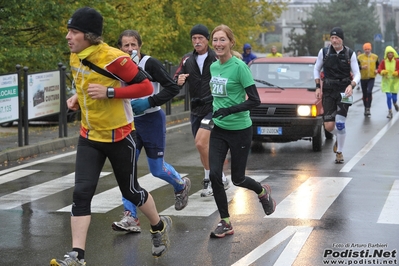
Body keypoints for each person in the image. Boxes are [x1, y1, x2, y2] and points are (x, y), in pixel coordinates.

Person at [50, 7, 172, 265]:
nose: (68, 37)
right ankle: (77, 255)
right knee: (81, 193)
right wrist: (76, 98)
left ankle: (159, 226)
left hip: (120, 137)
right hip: (90, 136)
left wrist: (110, 93)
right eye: (68, 31)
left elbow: (145, 86)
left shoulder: (113, 58)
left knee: (131, 190)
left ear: (90, 36)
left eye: (74, 32)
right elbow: (85, 87)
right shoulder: (75, 57)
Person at [196, 24, 276, 238]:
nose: (218, 44)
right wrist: (203, 100)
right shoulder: (214, 66)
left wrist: (229, 110)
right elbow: (219, 94)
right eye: (215, 40)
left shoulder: (240, 67)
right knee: (214, 174)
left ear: (231, 42)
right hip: (220, 129)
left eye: (222, 40)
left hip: (240, 129)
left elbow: (255, 101)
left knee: (238, 178)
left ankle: (262, 191)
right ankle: (225, 221)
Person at [109, 29, 191, 233]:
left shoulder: (149, 63)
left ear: (140, 46)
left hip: (152, 119)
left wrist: (149, 101)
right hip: (128, 123)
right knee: (125, 170)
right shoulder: (115, 66)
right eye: (125, 45)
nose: (129, 49)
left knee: (156, 169)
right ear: (120, 47)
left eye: (133, 45)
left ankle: (180, 185)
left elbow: (172, 88)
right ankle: (130, 217)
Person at [174, 24, 230, 197]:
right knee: (202, 147)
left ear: (207, 40)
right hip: (196, 109)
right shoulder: (187, 59)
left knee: (201, 142)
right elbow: (175, 76)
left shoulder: (216, 57)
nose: (197, 42)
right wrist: (178, 79)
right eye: (194, 38)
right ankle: (209, 177)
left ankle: (218, 177)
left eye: (201, 38)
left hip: (214, 108)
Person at [314, 27, 360, 164]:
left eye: (336, 38)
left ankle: (339, 152)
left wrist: (351, 85)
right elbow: (316, 68)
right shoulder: (324, 52)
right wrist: (317, 87)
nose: (334, 40)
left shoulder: (349, 54)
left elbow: (357, 73)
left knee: (340, 123)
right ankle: (339, 137)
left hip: (344, 90)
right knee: (328, 126)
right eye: (332, 38)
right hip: (328, 90)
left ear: (342, 39)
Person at [377, 45, 399, 118]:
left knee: (394, 98)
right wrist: (383, 71)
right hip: (386, 82)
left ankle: (395, 103)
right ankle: (390, 111)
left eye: (391, 53)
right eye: (388, 53)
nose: (390, 54)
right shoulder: (383, 61)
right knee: (389, 97)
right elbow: (379, 69)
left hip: (394, 82)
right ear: (386, 54)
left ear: (393, 53)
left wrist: (397, 72)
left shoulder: (397, 61)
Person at [357, 43, 379, 116]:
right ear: (364, 49)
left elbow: (378, 66)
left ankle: (368, 108)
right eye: (366, 49)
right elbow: (356, 67)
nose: (367, 50)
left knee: (369, 91)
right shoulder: (360, 57)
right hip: (363, 78)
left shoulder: (375, 57)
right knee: (365, 93)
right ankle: (365, 107)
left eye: (368, 49)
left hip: (371, 77)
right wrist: (362, 67)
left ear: (371, 49)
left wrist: (377, 70)